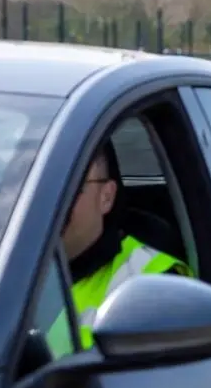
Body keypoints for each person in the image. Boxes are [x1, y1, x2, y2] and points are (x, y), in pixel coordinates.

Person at [48, 142, 193, 356]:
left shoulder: (152, 284)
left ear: (106, 197)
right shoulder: (1, 263)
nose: (49, 202)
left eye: (67, 186)